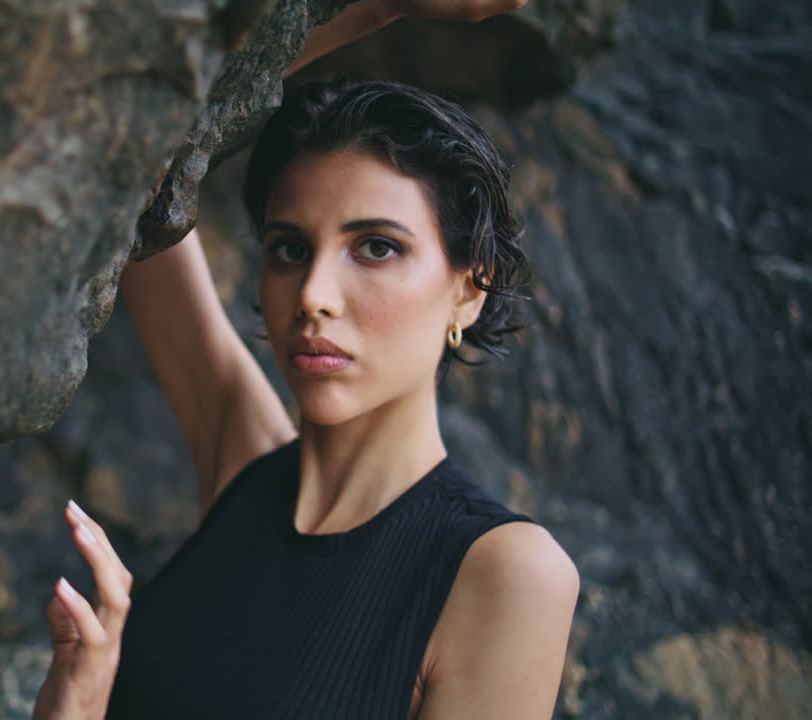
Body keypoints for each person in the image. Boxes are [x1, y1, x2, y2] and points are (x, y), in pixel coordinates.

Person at [32, 1, 577, 718]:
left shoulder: (506, 573)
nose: (314, 295)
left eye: (376, 246)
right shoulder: (245, 463)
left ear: (469, 292)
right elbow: (130, 134)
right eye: (290, 248)